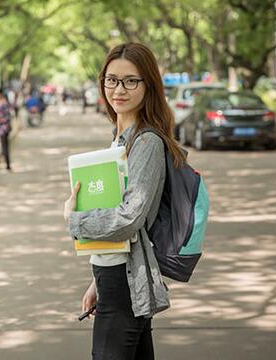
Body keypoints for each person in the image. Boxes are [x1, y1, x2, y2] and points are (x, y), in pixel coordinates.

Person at [63, 43, 186, 360]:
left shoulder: (146, 141)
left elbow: (130, 217)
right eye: (111, 80)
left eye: (131, 80)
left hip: (125, 287)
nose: (119, 89)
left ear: (149, 86)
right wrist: (97, 283)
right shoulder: (119, 139)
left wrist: (74, 219)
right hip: (114, 279)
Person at [0, 89, 12, 171]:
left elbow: (7, 117)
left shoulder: (4, 104)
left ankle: (7, 164)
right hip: (1, 128)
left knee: (5, 146)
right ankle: (6, 163)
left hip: (4, 128)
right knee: (4, 146)